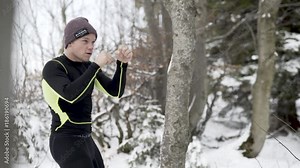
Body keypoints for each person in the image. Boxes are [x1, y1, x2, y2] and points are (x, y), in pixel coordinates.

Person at [42, 17, 132, 168]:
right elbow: (71, 95)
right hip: (65, 140)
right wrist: (96, 65)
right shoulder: (54, 67)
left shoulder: (88, 67)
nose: (91, 46)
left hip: (86, 139)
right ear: (70, 42)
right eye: (85, 41)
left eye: (93, 42)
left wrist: (122, 65)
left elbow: (115, 91)